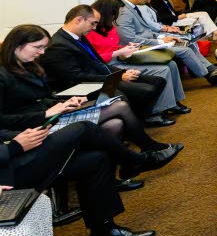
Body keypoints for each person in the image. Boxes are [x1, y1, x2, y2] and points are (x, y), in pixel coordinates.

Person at [0, 25, 182, 168]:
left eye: (43, 47)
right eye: (37, 47)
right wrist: (46, 114)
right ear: (17, 45)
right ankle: (141, 156)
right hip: (32, 127)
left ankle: (130, 165)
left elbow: (41, 97)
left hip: (48, 116)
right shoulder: (3, 74)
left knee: (115, 122)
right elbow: (4, 119)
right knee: (118, 107)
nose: (42, 52)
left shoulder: (29, 65)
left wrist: (64, 102)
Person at [1, 121, 162, 236]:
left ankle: (103, 233)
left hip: (10, 156)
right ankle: (138, 161)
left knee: (96, 160)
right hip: (7, 169)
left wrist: (26, 134)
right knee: (84, 129)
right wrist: (14, 146)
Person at [40, 5, 173, 126]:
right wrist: (117, 77)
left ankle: (141, 117)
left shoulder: (78, 37)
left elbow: (98, 63)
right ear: (79, 20)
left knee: (158, 81)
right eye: (93, 23)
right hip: (83, 86)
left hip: (99, 77)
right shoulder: (59, 45)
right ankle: (135, 121)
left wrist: (122, 73)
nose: (94, 28)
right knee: (145, 90)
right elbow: (76, 77)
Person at [89, 0, 189, 119]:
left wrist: (126, 47)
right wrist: (118, 52)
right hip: (111, 65)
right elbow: (93, 59)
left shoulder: (109, 27)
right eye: (117, 14)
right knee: (163, 69)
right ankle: (156, 112)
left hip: (121, 59)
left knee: (171, 64)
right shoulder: (90, 32)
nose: (118, 17)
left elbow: (113, 46)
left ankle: (173, 102)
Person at [116, 0, 217, 85]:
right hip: (139, 47)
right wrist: (160, 40)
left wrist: (164, 37)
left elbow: (146, 30)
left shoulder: (133, 7)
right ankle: (208, 75)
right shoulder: (124, 11)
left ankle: (210, 68)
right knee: (185, 50)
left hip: (149, 41)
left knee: (187, 43)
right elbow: (129, 39)